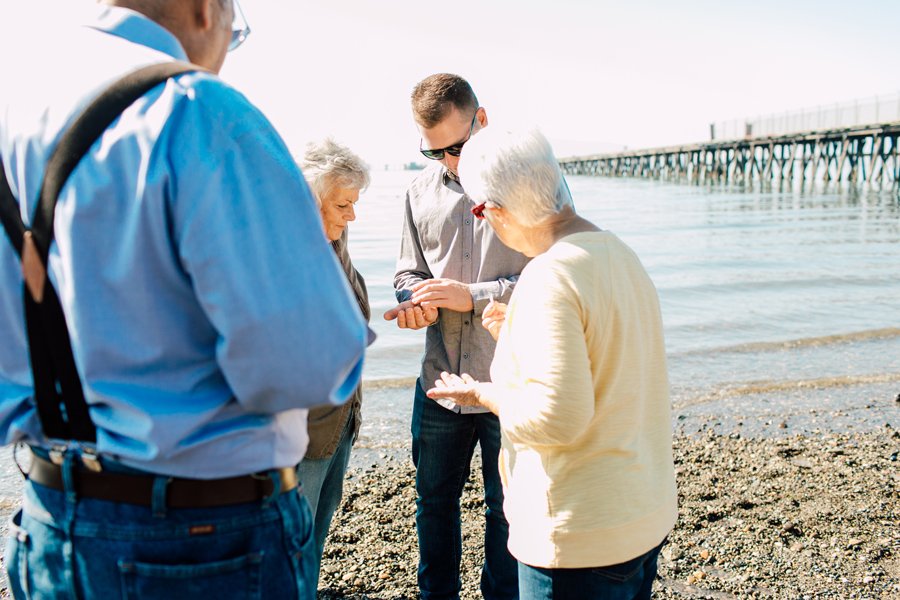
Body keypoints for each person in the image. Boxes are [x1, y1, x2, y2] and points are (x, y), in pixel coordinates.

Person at [0, 2, 367, 599]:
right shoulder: (201, 112)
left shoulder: (12, 105)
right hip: (203, 537)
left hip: (46, 518)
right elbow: (311, 363)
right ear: (206, 10)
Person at [427, 127, 678, 599]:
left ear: (494, 211)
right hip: (642, 512)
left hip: (579, 538)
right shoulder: (619, 254)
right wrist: (516, 336)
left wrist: (483, 393)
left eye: (480, 213)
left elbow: (558, 417)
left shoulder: (549, 276)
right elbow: (610, 363)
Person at [383, 73, 528, 600]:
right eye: (435, 151)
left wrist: (477, 294)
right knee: (433, 504)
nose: (449, 161)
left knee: (507, 511)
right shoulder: (417, 192)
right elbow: (407, 271)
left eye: (458, 146)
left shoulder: (525, 185)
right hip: (438, 379)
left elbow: (555, 275)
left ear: (482, 119)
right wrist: (414, 300)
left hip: (507, 384)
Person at [297, 138, 371, 582]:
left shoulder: (336, 245)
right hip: (299, 433)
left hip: (339, 420)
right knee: (291, 547)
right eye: (343, 205)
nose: (352, 216)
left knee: (314, 542)